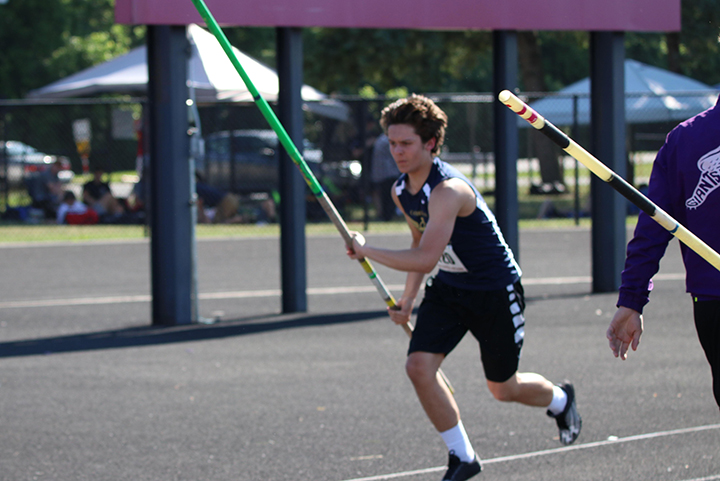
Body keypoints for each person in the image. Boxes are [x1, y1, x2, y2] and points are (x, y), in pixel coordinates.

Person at [346, 95, 581, 481]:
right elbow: (418, 242)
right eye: (392, 143)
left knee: (503, 388)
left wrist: (367, 249)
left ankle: (560, 398)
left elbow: (424, 256)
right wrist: (407, 299)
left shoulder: (449, 191)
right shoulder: (401, 190)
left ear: (431, 144)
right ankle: (463, 456)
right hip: (450, 288)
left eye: (406, 144)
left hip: (494, 291)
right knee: (418, 366)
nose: (397, 152)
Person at [606, 96, 720, 409]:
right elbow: (656, 224)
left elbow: (651, 229)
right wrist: (631, 298)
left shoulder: (686, 137)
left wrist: (632, 298)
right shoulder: (685, 140)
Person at [371, 132, 400, 221]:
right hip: (388, 172)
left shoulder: (381, 139)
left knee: (387, 196)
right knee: (388, 196)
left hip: (384, 173)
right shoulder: (387, 141)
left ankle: (386, 215)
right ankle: (387, 216)